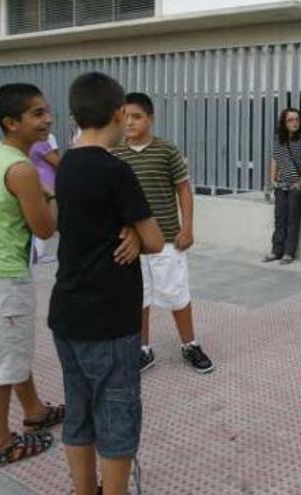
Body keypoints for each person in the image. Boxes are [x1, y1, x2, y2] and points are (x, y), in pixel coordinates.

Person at [50, 73, 164, 495]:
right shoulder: (116, 171)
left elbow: (87, 222)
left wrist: (127, 230)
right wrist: (135, 233)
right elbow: (154, 239)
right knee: (117, 417)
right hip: (110, 319)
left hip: (67, 314)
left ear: (76, 114)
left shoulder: (66, 166)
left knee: (78, 412)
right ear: (118, 114)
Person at [0, 83, 64, 469]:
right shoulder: (21, 169)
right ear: (11, 122)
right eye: (37, 114)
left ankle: (35, 410)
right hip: (2, 273)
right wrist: (52, 196)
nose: (48, 120)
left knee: (10, 345)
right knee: (1, 360)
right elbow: (44, 229)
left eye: (47, 111)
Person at [112, 92, 214, 374]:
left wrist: (188, 228)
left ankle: (190, 344)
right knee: (137, 298)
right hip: (130, 244)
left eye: (137, 117)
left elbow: (183, 188)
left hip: (167, 238)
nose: (130, 123)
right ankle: (143, 349)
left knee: (176, 293)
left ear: (150, 119)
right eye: (125, 117)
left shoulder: (166, 150)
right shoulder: (115, 154)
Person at [262, 108, 301, 265]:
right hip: (281, 184)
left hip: (296, 186)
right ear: (284, 123)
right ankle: (276, 250)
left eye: (297, 119)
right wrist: (273, 181)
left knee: (293, 219)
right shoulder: (280, 138)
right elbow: (275, 159)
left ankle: (288, 252)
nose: (294, 123)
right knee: (279, 218)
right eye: (290, 120)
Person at [29, 133, 61, 264]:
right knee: (47, 217)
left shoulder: (28, 143)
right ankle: (40, 253)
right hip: (47, 183)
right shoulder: (41, 144)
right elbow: (57, 162)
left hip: (38, 181)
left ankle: (37, 251)